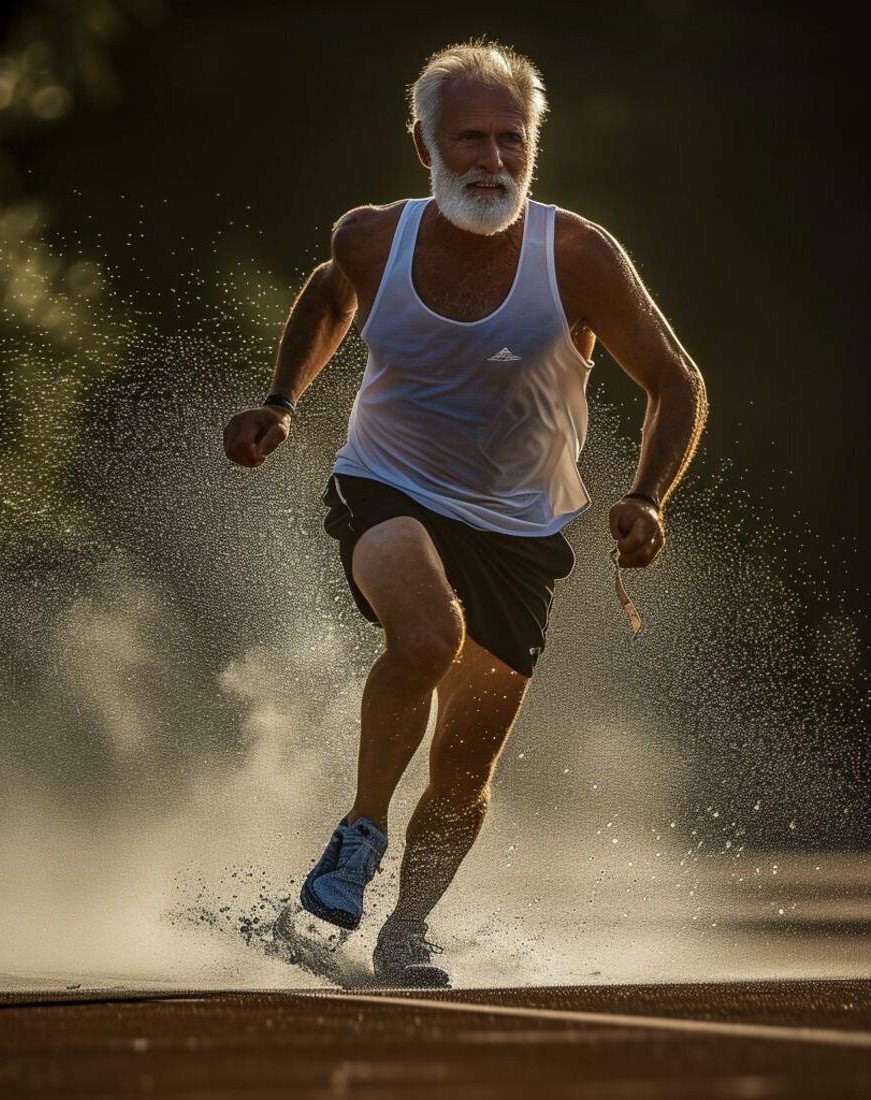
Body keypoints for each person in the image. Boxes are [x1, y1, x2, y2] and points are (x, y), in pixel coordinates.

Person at [222, 39, 707, 988]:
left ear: (533, 146)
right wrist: (282, 402)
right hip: (387, 486)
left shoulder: (578, 254)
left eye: (510, 140)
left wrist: (649, 495)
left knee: (463, 772)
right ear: (424, 146)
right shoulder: (371, 234)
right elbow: (334, 293)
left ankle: (408, 930)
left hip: (522, 532)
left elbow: (676, 381)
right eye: (469, 140)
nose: (491, 161)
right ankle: (359, 831)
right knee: (426, 637)